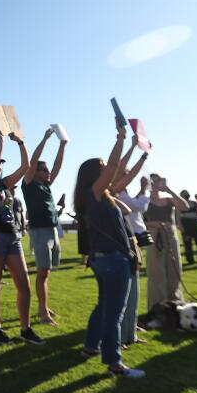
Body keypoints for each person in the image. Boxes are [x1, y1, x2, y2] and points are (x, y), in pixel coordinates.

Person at [75, 121, 145, 379]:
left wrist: (141, 152)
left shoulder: (101, 194)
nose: (110, 171)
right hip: (114, 261)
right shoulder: (94, 192)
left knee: (104, 305)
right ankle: (114, 363)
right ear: (95, 174)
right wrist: (121, 137)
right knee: (115, 312)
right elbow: (115, 167)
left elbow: (124, 176)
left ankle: (90, 347)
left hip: (104, 260)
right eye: (104, 169)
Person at [0, 132, 44, 345]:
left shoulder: (3, 185)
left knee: (24, 285)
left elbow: (26, 167)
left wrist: (20, 142)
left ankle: (25, 329)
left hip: (12, 237)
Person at [21, 127, 67, 326]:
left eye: (47, 170)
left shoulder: (46, 186)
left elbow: (57, 166)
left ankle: (43, 307)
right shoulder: (29, 183)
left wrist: (62, 145)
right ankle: (42, 312)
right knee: (43, 272)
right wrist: (45, 139)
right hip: (39, 232)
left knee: (46, 272)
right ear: (36, 172)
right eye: (44, 170)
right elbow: (32, 162)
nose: (49, 173)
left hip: (52, 231)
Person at [110, 139, 149, 347]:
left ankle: (130, 335)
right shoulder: (110, 191)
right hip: (117, 247)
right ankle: (120, 337)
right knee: (122, 297)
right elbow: (120, 168)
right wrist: (134, 148)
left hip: (131, 244)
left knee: (134, 293)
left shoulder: (117, 191)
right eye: (122, 172)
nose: (126, 175)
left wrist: (141, 154)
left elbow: (128, 173)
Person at [143, 174, 187, 310]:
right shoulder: (144, 201)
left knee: (174, 268)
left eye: (159, 181)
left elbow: (184, 206)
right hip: (154, 235)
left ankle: (175, 302)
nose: (157, 184)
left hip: (170, 234)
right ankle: (158, 306)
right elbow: (140, 223)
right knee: (156, 271)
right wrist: (152, 224)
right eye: (154, 182)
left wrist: (169, 190)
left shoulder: (169, 200)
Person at [179, 190, 197, 264]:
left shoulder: (194, 203)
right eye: (184, 194)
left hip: (196, 223)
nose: (186, 195)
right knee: (188, 243)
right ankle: (190, 260)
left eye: (187, 193)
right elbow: (177, 216)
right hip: (186, 225)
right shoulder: (179, 204)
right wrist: (180, 226)